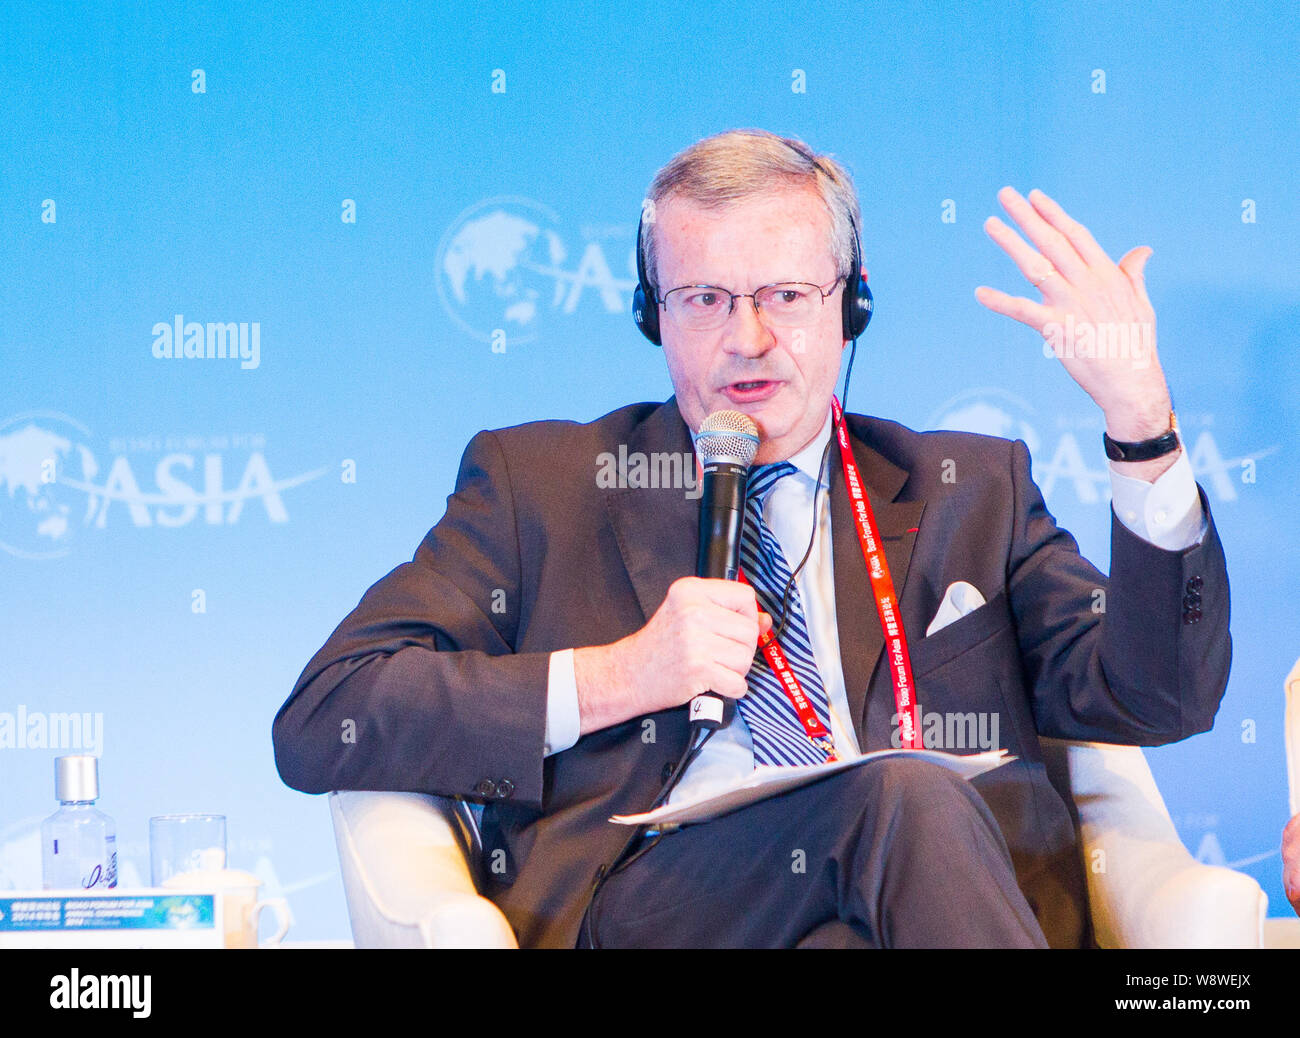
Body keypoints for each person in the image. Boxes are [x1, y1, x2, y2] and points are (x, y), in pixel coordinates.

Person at [272, 129, 1230, 948]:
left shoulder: (968, 490)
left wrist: (1141, 422)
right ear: (652, 315)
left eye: (785, 296)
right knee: (898, 797)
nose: (748, 337)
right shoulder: (543, 488)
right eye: (704, 299)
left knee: (889, 848)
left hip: (932, 907)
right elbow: (324, 718)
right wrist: (620, 677)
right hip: (663, 900)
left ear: (850, 305)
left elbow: (1159, 694)